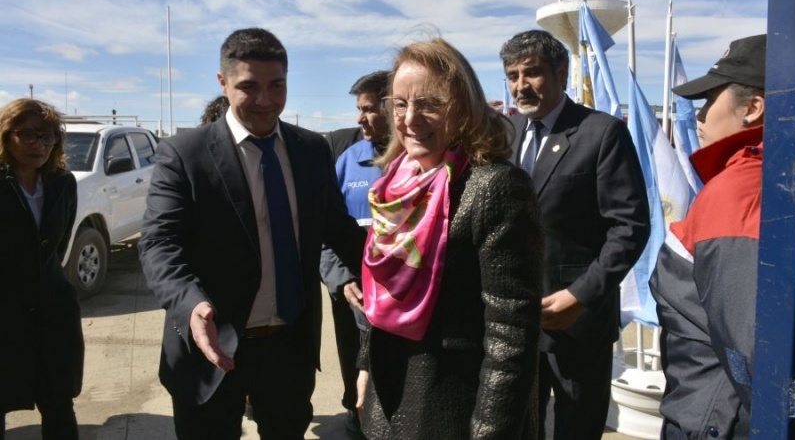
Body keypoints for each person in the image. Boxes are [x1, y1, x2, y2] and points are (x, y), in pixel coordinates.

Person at [138, 27, 366, 440]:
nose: (265, 100)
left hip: (289, 349)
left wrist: (400, 273)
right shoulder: (184, 154)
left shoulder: (312, 150)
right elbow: (159, 243)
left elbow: (341, 232)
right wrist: (190, 304)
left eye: (276, 86)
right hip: (211, 347)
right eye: (248, 86)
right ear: (222, 83)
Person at [354, 38, 543, 439]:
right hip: (387, 397)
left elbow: (511, 335)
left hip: (453, 409)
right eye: (400, 104)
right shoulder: (395, 184)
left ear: (463, 105)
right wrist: (366, 365)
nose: (410, 118)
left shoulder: (496, 186)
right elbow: (384, 294)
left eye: (428, 103)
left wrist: (491, 430)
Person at [500, 29, 650, 440]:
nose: (520, 86)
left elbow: (630, 228)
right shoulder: (507, 135)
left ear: (561, 72)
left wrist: (581, 296)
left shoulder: (600, 133)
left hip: (576, 324)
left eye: (531, 73)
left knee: (574, 430)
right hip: (515, 322)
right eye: (512, 75)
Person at [649, 34, 766, 440]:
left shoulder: (740, 191)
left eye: (708, 101)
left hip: (717, 420)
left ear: (751, 108)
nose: (697, 117)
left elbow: (747, 352)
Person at [0, 98, 84, 440]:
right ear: (6, 136)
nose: (40, 145)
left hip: (53, 315)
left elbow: (56, 249)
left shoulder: (63, 183)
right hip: (5, 318)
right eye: (29, 135)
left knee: (59, 405)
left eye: (49, 137)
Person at [319, 70, 391, 439]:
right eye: (358, 109)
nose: (360, 118)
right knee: (353, 354)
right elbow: (323, 232)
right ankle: (356, 412)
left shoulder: (419, 157)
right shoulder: (346, 162)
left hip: (403, 294)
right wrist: (340, 278)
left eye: (368, 109)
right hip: (353, 291)